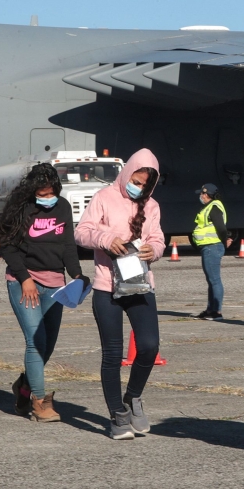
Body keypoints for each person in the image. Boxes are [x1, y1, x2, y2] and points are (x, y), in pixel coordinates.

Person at [75, 149, 165, 439]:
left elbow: (158, 238)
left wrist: (156, 250)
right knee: (112, 355)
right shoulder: (104, 197)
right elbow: (82, 232)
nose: (138, 188)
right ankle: (117, 414)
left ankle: (133, 396)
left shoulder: (151, 206)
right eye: (135, 181)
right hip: (106, 288)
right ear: (127, 173)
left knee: (149, 346)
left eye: (144, 184)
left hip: (139, 286)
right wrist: (105, 239)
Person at [0, 163, 86, 421]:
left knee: (48, 345)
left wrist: (77, 276)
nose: (47, 199)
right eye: (41, 194)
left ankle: (23, 387)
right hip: (25, 282)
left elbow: (68, 245)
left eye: (50, 193)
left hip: (56, 284)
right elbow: (8, 248)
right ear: (32, 190)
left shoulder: (64, 207)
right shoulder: (21, 207)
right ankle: (40, 402)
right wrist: (25, 279)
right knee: (36, 342)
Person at [191, 183, 232, 321]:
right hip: (208, 247)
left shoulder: (214, 207)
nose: (200, 196)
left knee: (214, 280)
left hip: (212, 246)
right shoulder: (209, 207)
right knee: (211, 280)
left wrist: (225, 239)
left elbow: (220, 227)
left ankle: (217, 311)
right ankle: (210, 309)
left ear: (207, 194)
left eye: (202, 194)